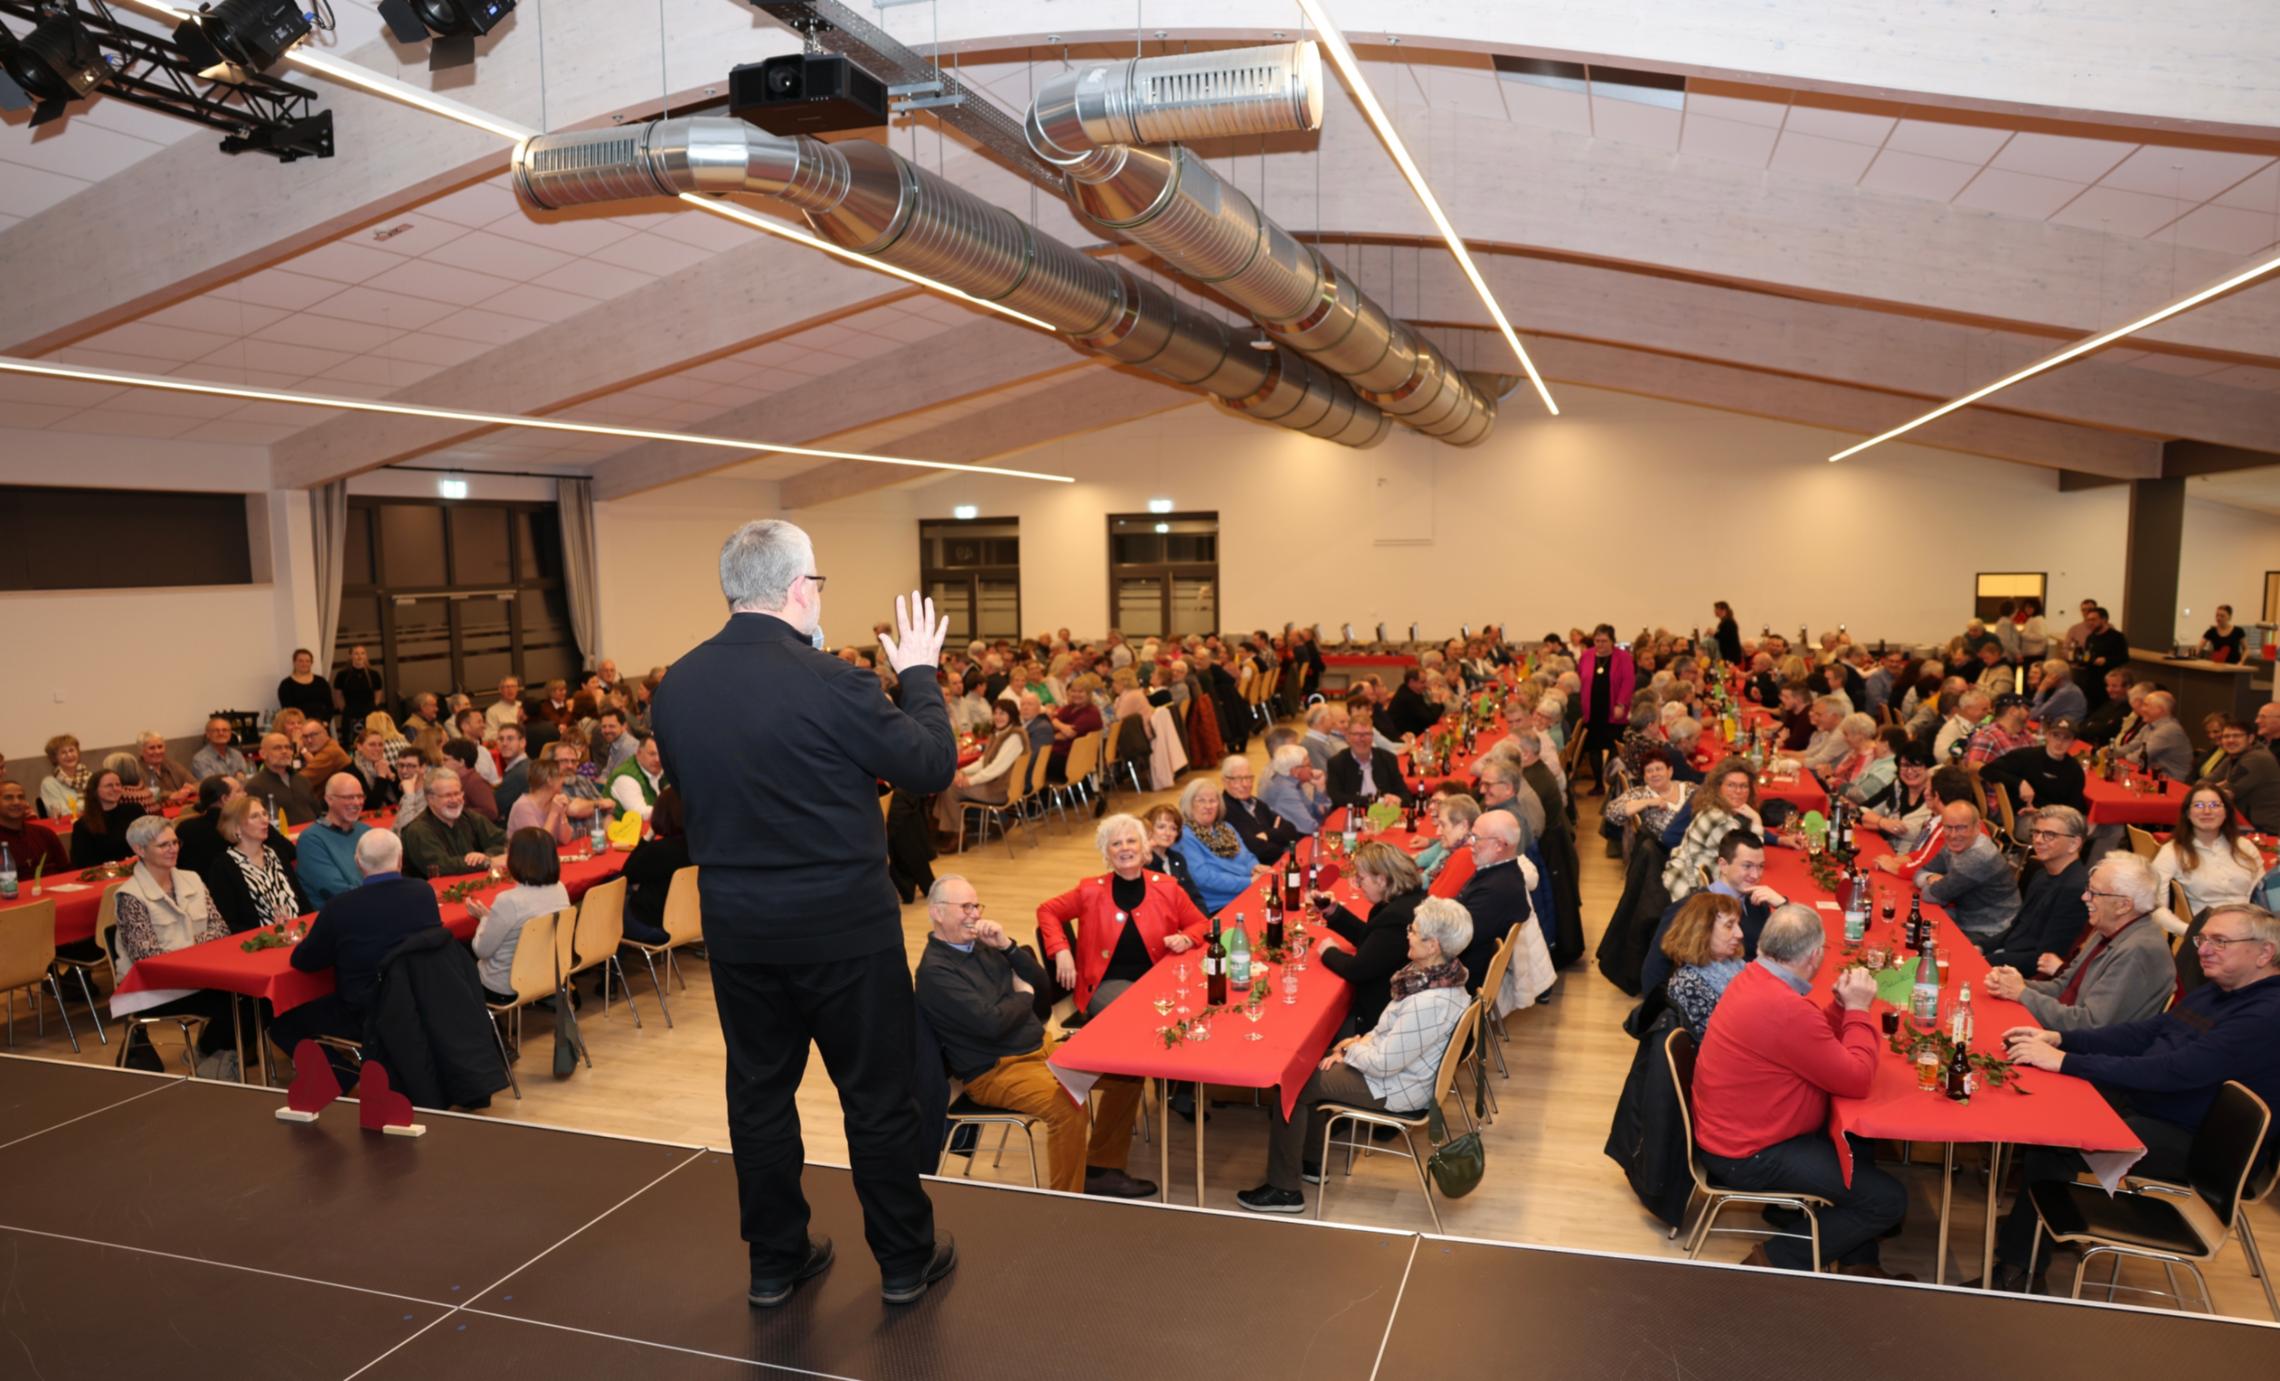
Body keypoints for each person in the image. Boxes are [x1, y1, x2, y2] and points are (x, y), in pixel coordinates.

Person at [649, 522, 959, 1309]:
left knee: (758, 1094)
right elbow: (928, 761)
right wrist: (919, 674)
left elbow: (706, 794)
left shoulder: (676, 686)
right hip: (843, 932)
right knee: (877, 1096)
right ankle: (901, 1258)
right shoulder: (833, 679)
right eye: (817, 583)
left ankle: (775, 1261)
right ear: (797, 589)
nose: (818, 597)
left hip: (740, 931)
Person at [1987, 903, 2280, 1291]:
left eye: (2221, 941)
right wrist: (2062, 1039)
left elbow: (2175, 1071)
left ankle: (2019, 1273)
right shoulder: (2220, 991)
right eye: (2203, 939)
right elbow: (2145, 1033)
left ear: (2264, 954)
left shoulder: (2266, 1014)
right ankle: (2035, 1226)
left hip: (2204, 1147)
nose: (2204, 950)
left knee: (2058, 1139)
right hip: (2160, 1107)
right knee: (2053, 1111)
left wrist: (2066, 1061)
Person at [1690, 905, 1907, 1276]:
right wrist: (1857, 1010)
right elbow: (1856, 1080)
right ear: (1815, 955)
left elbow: (1803, 1040)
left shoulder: (1755, 978)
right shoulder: (1783, 1007)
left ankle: (1859, 1263)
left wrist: (1838, 1009)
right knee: (1888, 1202)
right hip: (1750, 1153)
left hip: (1738, 1130)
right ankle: (1774, 1262)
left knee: (1858, 1142)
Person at [1237, 895, 1475, 1214]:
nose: (1408, 934)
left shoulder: (1428, 1002)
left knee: (1294, 1081)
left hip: (1395, 1088)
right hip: (1396, 1072)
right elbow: (1390, 1030)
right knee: (1314, 1064)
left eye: (1414, 931)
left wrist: (1349, 1049)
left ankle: (1284, 1189)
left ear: (1433, 945)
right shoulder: (1438, 977)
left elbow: (1385, 1064)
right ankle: (1308, 1164)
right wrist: (1357, 1041)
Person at [923, 876, 1154, 1198]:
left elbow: (1040, 988)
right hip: (996, 1069)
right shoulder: (936, 971)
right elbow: (991, 1023)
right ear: (937, 912)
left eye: (976, 905)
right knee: (1068, 1109)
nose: (974, 914)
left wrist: (1008, 947)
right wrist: (1022, 997)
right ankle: (1064, 1201)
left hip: (1039, 1048)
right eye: (965, 907)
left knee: (1125, 1071)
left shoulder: (983, 945)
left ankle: (1101, 1169)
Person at [275, 827, 449, 1060]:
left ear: (358, 862)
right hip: (420, 999)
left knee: (282, 1024)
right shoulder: (423, 892)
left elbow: (304, 961)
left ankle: (344, 1077)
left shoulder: (340, 907)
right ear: (400, 859)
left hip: (366, 1010)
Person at [1035, 813, 1209, 1018]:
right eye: (1116, 843)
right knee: (1146, 1013)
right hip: (1106, 983)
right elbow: (1047, 911)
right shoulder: (1090, 891)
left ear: (1144, 848)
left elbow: (1200, 924)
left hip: (1158, 976)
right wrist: (1061, 950)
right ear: (1107, 854)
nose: (1125, 847)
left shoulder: (1167, 887)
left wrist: (1186, 938)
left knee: (1197, 1004)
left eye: (1131, 841)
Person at [1981, 851, 2172, 1032]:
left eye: (2094, 893)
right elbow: (2062, 987)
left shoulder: (2138, 951)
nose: (2084, 897)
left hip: (2087, 1053)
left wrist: (2022, 993)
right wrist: (2015, 983)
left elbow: (2090, 1023)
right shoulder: (2107, 928)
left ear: (2124, 905)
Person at [110, 817, 239, 1076]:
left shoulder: (191, 879)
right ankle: (214, 1063)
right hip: (154, 988)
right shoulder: (130, 895)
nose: (173, 849)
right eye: (163, 845)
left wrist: (187, 949)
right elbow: (148, 957)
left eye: (175, 842)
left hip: (201, 976)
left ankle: (210, 1056)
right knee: (235, 1001)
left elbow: (221, 930)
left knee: (252, 998)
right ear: (139, 850)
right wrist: (198, 946)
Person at [1641, 828, 1786, 996]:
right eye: (1747, 866)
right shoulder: (1690, 908)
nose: (1755, 875)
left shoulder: (1757, 902)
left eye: (1760, 867)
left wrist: (1783, 905)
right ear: (1723, 865)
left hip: (1752, 991)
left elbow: (1778, 949)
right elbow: (1654, 969)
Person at [1315, 841, 1430, 1033]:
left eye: (1361, 879)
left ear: (1382, 880)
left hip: (1382, 1019)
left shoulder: (1397, 918)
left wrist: (1328, 952)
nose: (1359, 885)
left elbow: (1357, 969)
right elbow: (1374, 942)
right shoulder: (1407, 900)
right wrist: (1334, 913)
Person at [1979, 804, 2092, 971]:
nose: (2038, 840)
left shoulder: (2075, 890)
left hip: (2023, 975)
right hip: (2007, 957)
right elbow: (2017, 929)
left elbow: (2045, 959)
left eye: (2049, 835)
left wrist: (1988, 960)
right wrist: (1982, 946)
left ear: (2074, 844)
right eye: (2036, 832)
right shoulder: (2040, 874)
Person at [469, 827, 572, 1006]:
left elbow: (482, 951)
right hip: (548, 975)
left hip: (506, 986)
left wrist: (484, 919)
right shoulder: (560, 889)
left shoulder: (508, 901)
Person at [200, 795, 309, 933]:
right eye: (255, 816)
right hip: (260, 943)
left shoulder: (277, 854)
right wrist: (269, 934)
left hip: (298, 932)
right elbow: (229, 923)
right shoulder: (224, 866)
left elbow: (302, 901)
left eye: (264, 814)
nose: (265, 820)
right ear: (237, 827)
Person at [2152, 783, 2264, 917]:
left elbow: (2264, 895)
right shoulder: (2172, 852)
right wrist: (2187, 931)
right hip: (2206, 929)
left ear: (2226, 812)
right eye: (2198, 805)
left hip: (2251, 926)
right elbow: (2157, 909)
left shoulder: (2245, 847)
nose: (2207, 811)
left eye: (2214, 805)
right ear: (2188, 813)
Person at [1916, 802, 2020, 944]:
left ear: (1977, 827)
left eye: (1961, 828)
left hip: (1991, 930)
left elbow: (1931, 896)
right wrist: (1930, 878)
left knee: (1924, 941)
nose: (1953, 835)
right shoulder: (1956, 843)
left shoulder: (1977, 856)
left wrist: (1937, 883)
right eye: (1948, 827)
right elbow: (1920, 872)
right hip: (1966, 915)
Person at [1452, 809, 1534, 989]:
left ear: (1499, 845)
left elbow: (1456, 939)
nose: (1469, 842)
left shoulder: (1497, 890)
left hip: (1462, 979)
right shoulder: (1500, 872)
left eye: (1476, 838)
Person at [1662, 760, 1763, 902]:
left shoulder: (1715, 807)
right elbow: (1753, 853)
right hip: (1690, 893)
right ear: (1718, 787)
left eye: (1743, 786)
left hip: (1680, 877)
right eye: (1731, 785)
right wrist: (1757, 820)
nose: (1738, 791)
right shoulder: (1719, 819)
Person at [931, 699, 1025, 840]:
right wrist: (963, 771)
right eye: (996, 713)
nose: (998, 717)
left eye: (1003, 713)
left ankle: (956, 835)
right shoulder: (999, 734)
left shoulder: (1014, 736)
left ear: (1012, 715)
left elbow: (995, 769)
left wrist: (970, 781)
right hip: (997, 785)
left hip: (1000, 789)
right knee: (949, 784)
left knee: (951, 788)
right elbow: (983, 762)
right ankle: (945, 828)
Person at [1661, 891, 1749, 1041]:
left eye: (1738, 924)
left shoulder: (1733, 963)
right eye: (1729, 925)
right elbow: (1716, 1041)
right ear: (1703, 931)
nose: (1740, 933)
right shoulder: (1688, 985)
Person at [1176, 778, 1269, 914]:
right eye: (1201, 800)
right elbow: (1203, 878)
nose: (1208, 806)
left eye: (1213, 801)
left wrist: (1255, 866)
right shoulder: (1185, 836)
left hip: (1246, 893)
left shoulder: (1226, 827)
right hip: (1220, 906)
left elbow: (1246, 855)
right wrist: (1248, 881)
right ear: (1189, 804)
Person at [398, 767, 505, 879]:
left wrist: (487, 856)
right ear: (430, 799)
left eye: (457, 793)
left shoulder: (469, 817)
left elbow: (503, 841)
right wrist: (486, 862)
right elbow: (441, 867)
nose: (455, 800)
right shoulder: (417, 830)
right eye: (447, 795)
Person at [1978, 717, 2086, 815]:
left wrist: (2043, 812)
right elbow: (1986, 770)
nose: (2059, 742)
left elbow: (2075, 807)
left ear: (2074, 742)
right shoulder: (2025, 756)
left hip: (2057, 818)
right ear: (2047, 736)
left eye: (2066, 738)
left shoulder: (2075, 770)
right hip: (2022, 816)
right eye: (2055, 735)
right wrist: (2020, 783)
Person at [297, 773, 374, 907]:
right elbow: (338, 893)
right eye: (349, 797)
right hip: (339, 916)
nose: (357, 802)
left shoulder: (367, 831)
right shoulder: (311, 840)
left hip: (372, 906)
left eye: (360, 796)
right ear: (329, 799)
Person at [1219, 755, 1297, 864]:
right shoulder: (1224, 811)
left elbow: (1291, 829)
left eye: (1249, 778)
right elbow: (1256, 850)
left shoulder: (1257, 803)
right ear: (1225, 781)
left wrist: (1268, 835)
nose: (1245, 784)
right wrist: (1279, 838)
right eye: (1238, 779)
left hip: (1278, 861)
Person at [2206, 720, 2280, 834]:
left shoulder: (2257, 758)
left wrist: (2212, 788)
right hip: (2243, 823)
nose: (2230, 740)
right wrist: (2214, 787)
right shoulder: (2234, 756)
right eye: (2226, 736)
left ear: (2250, 738)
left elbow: (2227, 793)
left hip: (2262, 829)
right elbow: (2206, 781)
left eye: (2236, 736)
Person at [1326, 711, 1411, 808]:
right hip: (1352, 817)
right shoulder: (1337, 763)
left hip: (1385, 815)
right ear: (1348, 737)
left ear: (1372, 737)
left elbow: (1405, 794)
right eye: (1357, 734)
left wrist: (1397, 800)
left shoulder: (1388, 759)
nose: (1362, 739)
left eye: (1367, 734)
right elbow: (1336, 798)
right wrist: (1376, 801)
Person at [68, 768, 143, 868]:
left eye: (118, 784)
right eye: (109, 786)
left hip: (140, 868)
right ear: (95, 791)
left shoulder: (135, 810)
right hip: (107, 875)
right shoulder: (82, 826)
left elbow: (151, 841)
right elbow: (82, 863)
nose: (115, 789)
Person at [1607, 749, 1686, 843]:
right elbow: (1611, 813)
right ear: (1644, 777)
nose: (1654, 774)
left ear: (1670, 771)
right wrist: (1648, 802)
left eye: (1659, 769)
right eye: (1649, 771)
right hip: (1664, 850)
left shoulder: (1688, 788)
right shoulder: (1641, 793)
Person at [244, 732, 322, 825]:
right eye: (277, 748)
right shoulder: (255, 786)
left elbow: (318, 812)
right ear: (263, 754)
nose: (284, 751)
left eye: (288, 747)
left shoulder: (302, 779)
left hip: (311, 834)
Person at [1259, 744, 1332, 837]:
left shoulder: (1292, 781)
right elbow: (1309, 827)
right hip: (1288, 845)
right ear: (1295, 771)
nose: (1312, 767)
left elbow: (1317, 813)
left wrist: (1320, 788)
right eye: (1308, 765)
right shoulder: (1285, 790)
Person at [0, 780, 70, 876]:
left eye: (21, 797)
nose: (16, 802)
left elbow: (66, 872)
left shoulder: (45, 834)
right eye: (8, 798)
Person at [2119, 690, 2193, 780]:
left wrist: (2121, 757)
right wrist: (2110, 752)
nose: (2142, 709)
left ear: (2160, 710)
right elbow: (2131, 747)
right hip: (2154, 777)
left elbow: (2138, 758)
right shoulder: (2148, 726)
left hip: (2172, 783)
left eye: (2146, 705)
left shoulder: (2169, 730)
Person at [606, 732, 667, 823]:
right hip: (625, 834)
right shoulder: (625, 778)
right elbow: (641, 814)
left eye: (661, 754)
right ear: (638, 753)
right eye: (652, 754)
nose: (657, 759)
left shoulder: (664, 769)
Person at [2076, 606, 2130, 706]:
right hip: (2091, 681)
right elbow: (2088, 655)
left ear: (2104, 619)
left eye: (2093, 620)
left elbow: (2124, 658)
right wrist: (2082, 659)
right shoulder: (2091, 637)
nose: (2090, 623)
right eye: (2088, 620)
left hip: (2107, 682)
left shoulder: (2116, 637)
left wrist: (2106, 660)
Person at [1964, 694, 2034, 768]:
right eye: (2026, 709)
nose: (2029, 714)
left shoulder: (2026, 735)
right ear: (2013, 711)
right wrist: (2012, 779)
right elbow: (1975, 770)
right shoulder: (1988, 736)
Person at [132, 731, 197, 810]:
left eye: (160, 747)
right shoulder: (135, 771)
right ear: (140, 751)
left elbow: (196, 783)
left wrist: (190, 789)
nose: (157, 751)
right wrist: (170, 795)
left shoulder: (172, 765)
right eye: (152, 748)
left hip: (180, 811)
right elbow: (145, 795)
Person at [277, 647, 335, 727]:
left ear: (311, 663)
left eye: (307, 661)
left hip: (322, 726)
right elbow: (288, 711)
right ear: (294, 662)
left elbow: (330, 705)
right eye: (300, 661)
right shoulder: (286, 684)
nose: (304, 664)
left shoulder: (321, 681)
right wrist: (300, 724)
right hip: (299, 727)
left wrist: (326, 722)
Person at [39, 733, 89, 819]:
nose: (69, 755)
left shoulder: (91, 777)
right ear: (54, 758)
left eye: (71, 750)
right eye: (63, 752)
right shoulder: (49, 783)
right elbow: (63, 813)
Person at [334, 645, 384, 729]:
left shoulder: (374, 674)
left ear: (366, 656)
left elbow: (378, 693)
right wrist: (345, 710)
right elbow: (337, 696)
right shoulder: (342, 675)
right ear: (351, 656)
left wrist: (372, 707)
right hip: (350, 715)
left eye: (362, 653)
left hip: (370, 715)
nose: (359, 656)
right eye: (356, 653)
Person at [189, 717, 250, 782]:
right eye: (216, 730)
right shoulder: (200, 760)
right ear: (208, 734)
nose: (221, 733)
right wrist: (236, 778)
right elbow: (213, 786)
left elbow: (245, 778)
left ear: (230, 734)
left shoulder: (236, 754)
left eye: (225, 730)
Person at [2028, 661, 2086, 728]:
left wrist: (2042, 688)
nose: (2044, 678)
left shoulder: (2065, 692)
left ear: (2055, 676)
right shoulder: (2069, 688)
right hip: (2062, 726)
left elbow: (2033, 715)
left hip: (2066, 730)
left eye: (2046, 675)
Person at [485, 676, 526, 740]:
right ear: (500, 690)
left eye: (513, 686)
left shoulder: (523, 706)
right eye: (507, 687)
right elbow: (489, 736)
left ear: (517, 689)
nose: (510, 690)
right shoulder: (492, 711)